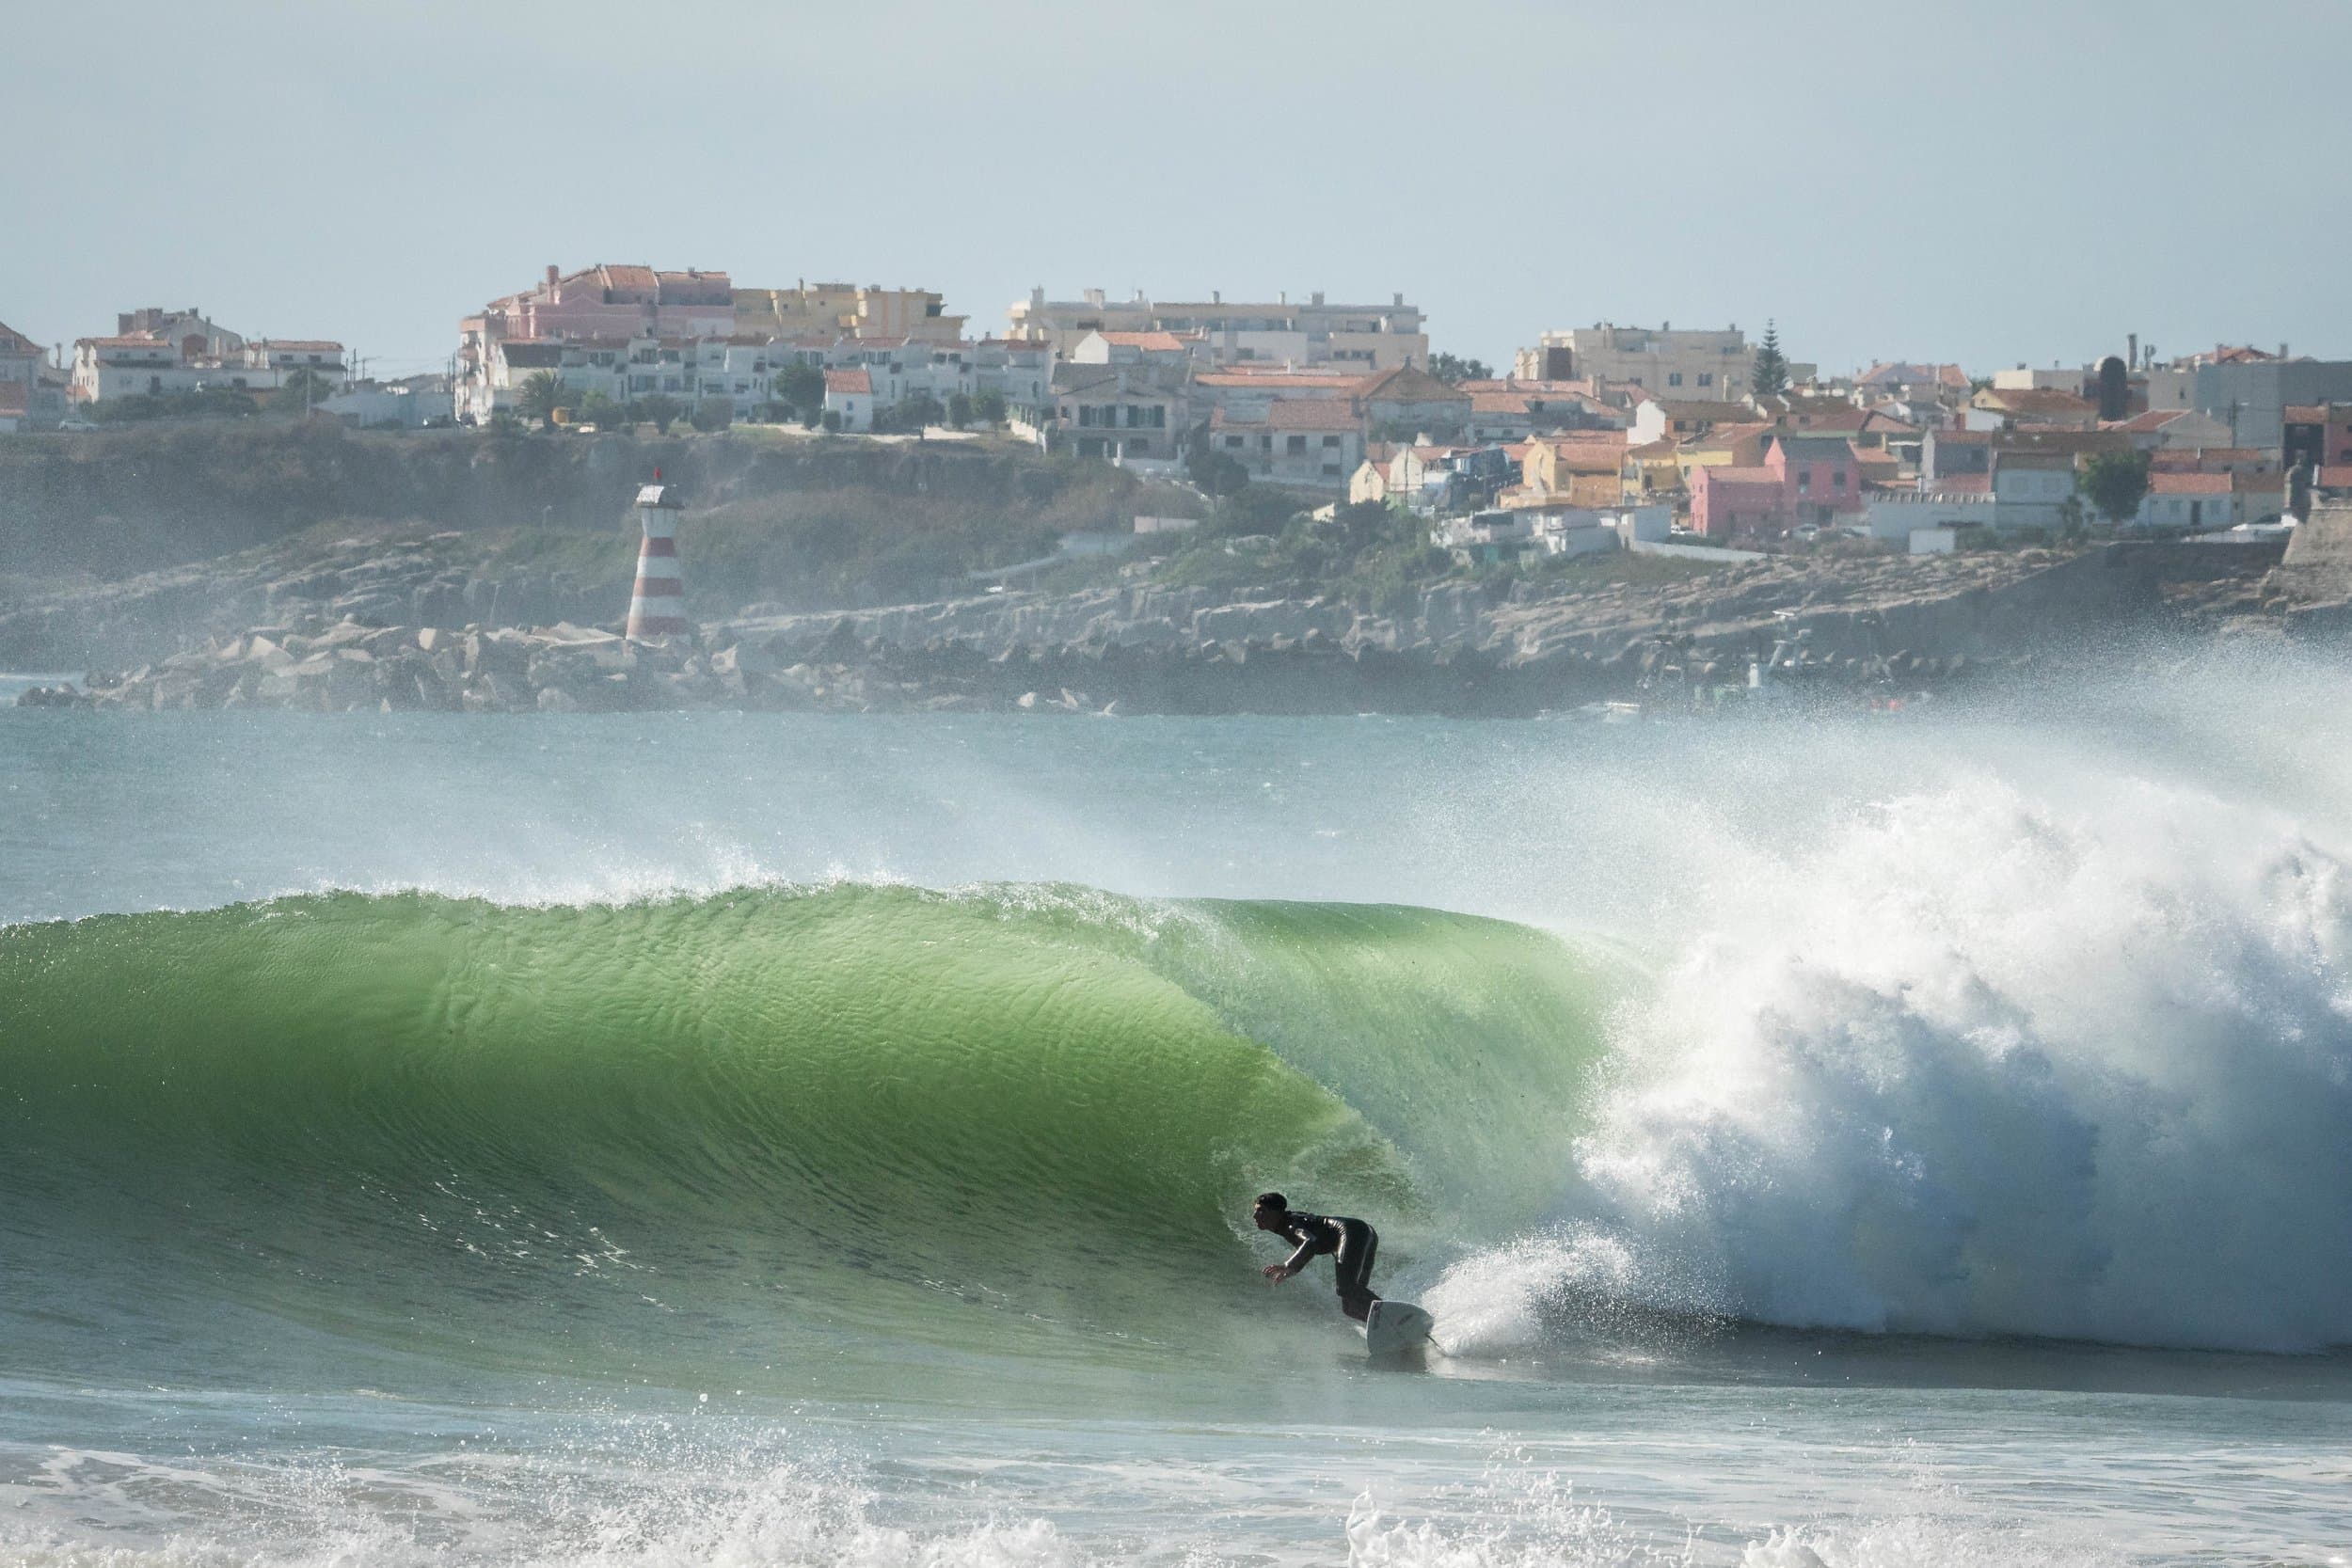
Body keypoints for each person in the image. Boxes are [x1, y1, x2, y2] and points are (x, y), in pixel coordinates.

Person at [1252, 1192, 1380, 1323]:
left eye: (1261, 1211)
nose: (1255, 1216)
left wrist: (1288, 1265)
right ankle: (1387, 1326)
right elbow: (1310, 1249)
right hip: (1363, 1232)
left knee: (1346, 1288)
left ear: (1277, 1212)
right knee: (1350, 1306)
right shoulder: (1288, 1224)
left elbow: (1310, 1242)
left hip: (1353, 1231)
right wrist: (1293, 1270)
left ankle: (1393, 1316)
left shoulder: (1291, 1225)